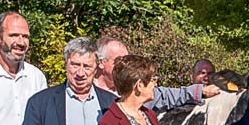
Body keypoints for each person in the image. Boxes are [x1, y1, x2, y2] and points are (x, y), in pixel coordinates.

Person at [93, 37, 221, 110]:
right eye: (119, 60)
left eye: (127, 60)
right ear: (101, 62)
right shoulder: (87, 95)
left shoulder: (137, 91)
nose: (125, 65)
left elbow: (166, 96)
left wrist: (200, 91)